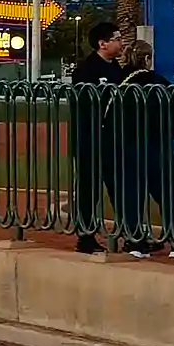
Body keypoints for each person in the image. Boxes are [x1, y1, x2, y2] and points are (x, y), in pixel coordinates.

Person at [118, 38, 174, 260]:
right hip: (157, 145)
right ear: (147, 58)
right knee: (166, 196)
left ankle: (135, 242)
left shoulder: (121, 82)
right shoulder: (159, 82)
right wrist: (169, 133)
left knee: (133, 194)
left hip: (128, 145)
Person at [69, 23, 125, 255]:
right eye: (116, 39)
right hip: (90, 140)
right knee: (89, 189)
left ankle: (130, 234)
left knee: (119, 188)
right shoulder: (85, 70)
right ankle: (85, 236)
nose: (121, 42)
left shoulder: (118, 70)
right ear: (102, 43)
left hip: (114, 140)